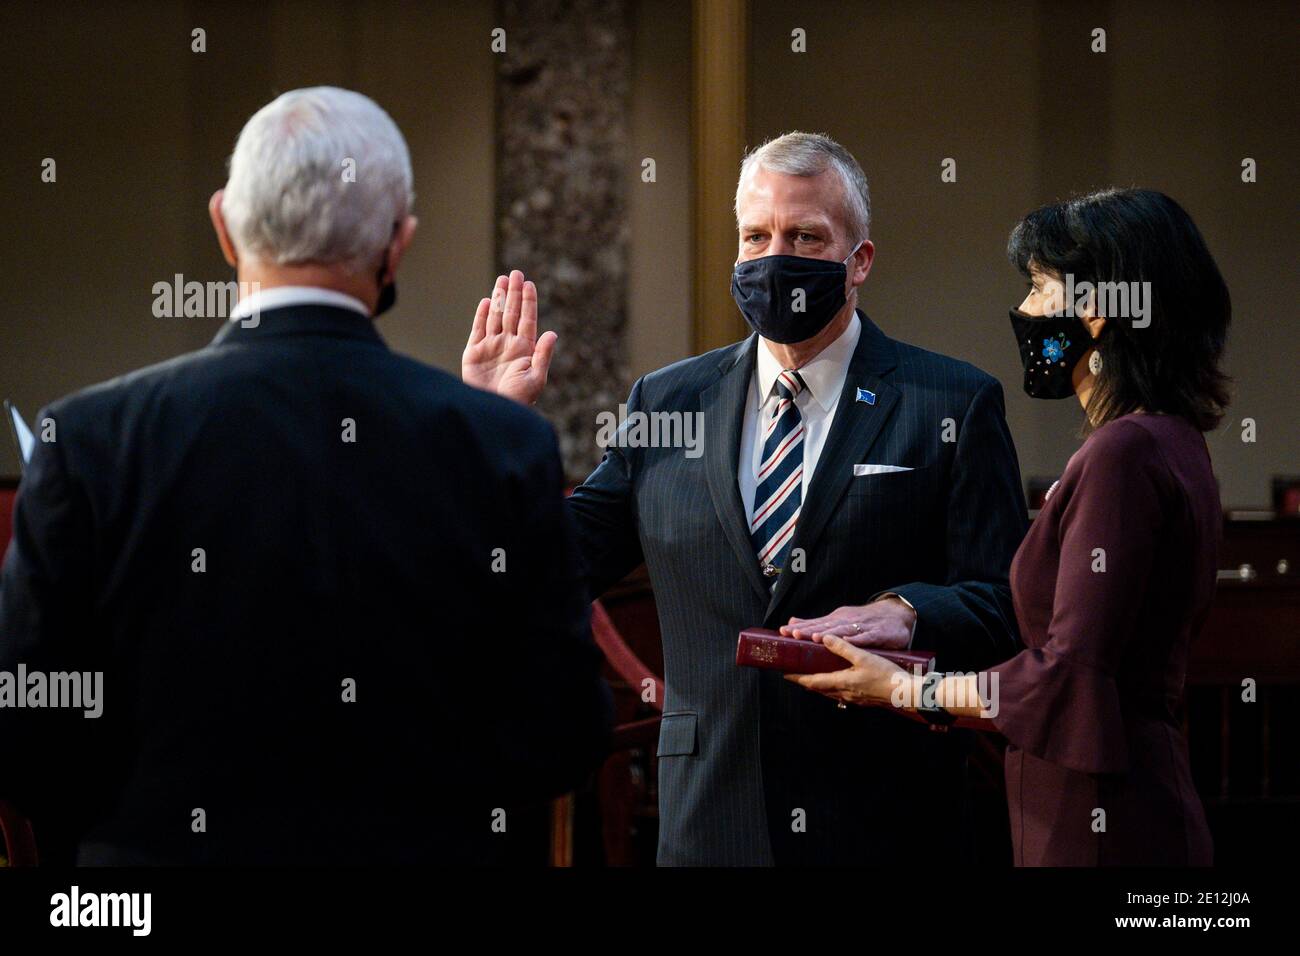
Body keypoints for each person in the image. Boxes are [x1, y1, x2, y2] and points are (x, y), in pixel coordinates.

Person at [0, 87, 612, 864]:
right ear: (399, 244)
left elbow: (25, 732)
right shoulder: (499, 444)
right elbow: (559, 734)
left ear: (223, 226)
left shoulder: (87, 438)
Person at [463, 132, 1028, 865]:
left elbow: (1006, 603)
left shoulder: (950, 401)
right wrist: (492, 432)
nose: (774, 257)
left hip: (885, 816)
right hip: (709, 816)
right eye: (755, 236)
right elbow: (549, 569)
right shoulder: (669, 400)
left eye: (804, 236)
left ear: (860, 261)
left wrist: (905, 610)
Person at [789, 188, 1227, 866]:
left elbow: (1068, 679)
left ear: (1098, 310)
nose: (1023, 312)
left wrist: (902, 688)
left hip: (1103, 817)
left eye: (1038, 286)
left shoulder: (1123, 453)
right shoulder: (1171, 440)